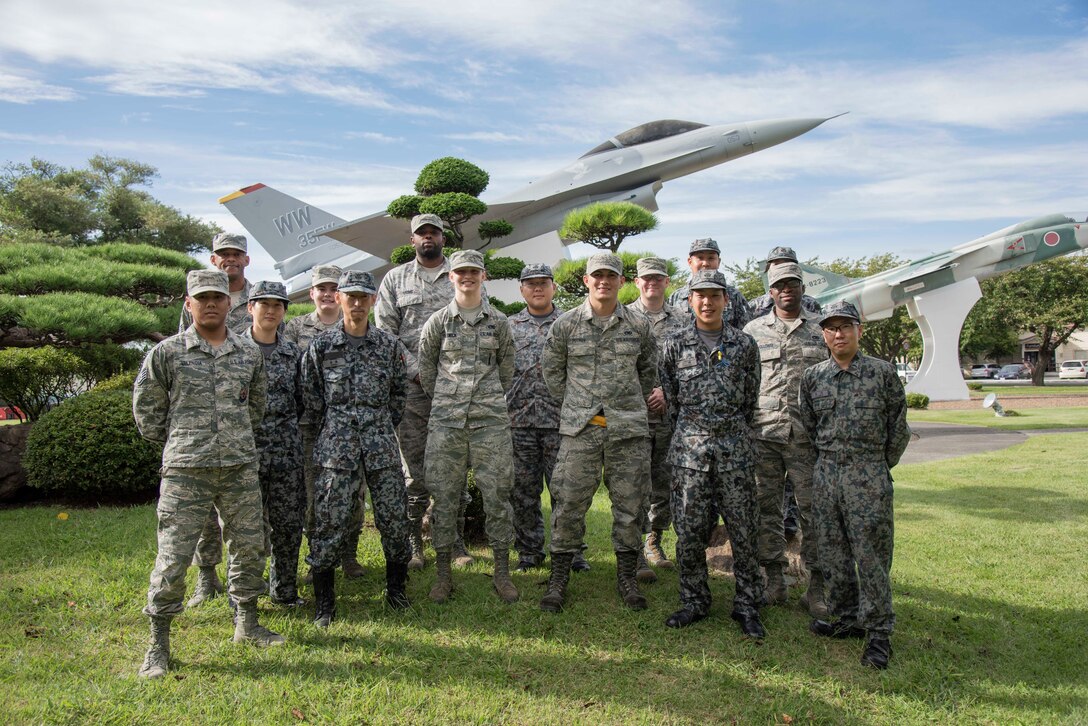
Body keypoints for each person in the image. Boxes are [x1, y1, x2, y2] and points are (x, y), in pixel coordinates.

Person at [133, 269, 281, 679]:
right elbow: (147, 410)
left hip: (238, 466)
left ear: (230, 302)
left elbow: (257, 407)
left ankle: (246, 623)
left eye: (218, 296)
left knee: (250, 545)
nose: (211, 303)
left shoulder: (247, 353)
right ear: (188, 303)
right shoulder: (167, 353)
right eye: (202, 298)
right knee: (173, 556)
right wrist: (182, 441)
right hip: (186, 470)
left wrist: (232, 440)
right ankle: (158, 645)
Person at [539, 252, 657, 613]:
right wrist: (578, 405)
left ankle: (627, 578)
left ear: (622, 282)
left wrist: (624, 405)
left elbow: (648, 372)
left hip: (627, 430)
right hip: (581, 430)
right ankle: (558, 579)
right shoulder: (567, 324)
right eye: (597, 275)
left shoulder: (638, 325)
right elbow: (552, 371)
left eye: (611, 275)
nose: (604, 281)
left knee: (630, 505)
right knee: (568, 503)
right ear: (586, 281)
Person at [800, 300, 910, 670]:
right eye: (831, 328)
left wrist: (877, 468)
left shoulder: (881, 373)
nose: (838, 333)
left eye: (845, 326)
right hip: (827, 474)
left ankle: (878, 632)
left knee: (872, 557)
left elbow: (898, 429)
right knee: (833, 554)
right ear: (824, 335)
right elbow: (811, 426)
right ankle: (846, 619)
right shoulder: (813, 377)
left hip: (868, 477)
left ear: (859, 330)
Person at [657, 269, 765, 638]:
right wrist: (694, 431)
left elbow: (750, 398)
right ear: (689, 301)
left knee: (745, 530)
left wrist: (726, 429)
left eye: (714, 295)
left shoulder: (744, 345)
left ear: (726, 300)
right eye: (699, 295)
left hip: (735, 452)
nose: (707, 301)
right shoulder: (674, 344)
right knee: (688, 531)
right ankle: (694, 601)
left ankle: (748, 605)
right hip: (690, 454)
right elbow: (671, 399)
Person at [300, 271, 412, 627]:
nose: (358, 303)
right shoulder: (322, 346)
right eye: (351, 296)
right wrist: (334, 429)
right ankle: (325, 604)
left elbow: (399, 394)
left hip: (381, 445)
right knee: (330, 521)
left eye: (365, 297)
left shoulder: (389, 346)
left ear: (373, 301)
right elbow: (310, 395)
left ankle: (396, 590)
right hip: (336, 448)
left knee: (393, 518)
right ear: (340, 298)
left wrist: (379, 423)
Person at [418, 250, 517, 603]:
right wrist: (449, 399)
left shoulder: (499, 322)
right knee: (444, 499)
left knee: (498, 497)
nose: (467, 277)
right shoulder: (438, 323)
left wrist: (486, 399)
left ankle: (502, 573)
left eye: (473, 271)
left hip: (490, 423)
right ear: (451, 277)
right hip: (447, 423)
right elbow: (426, 370)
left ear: (484, 276)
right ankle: (443, 575)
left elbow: (506, 369)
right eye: (461, 272)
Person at [375, 214, 473, 570]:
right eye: (421, 233)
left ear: (443, 238)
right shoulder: (395, 279)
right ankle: (415, 543)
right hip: (412, 393)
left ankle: (456, 542)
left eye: (433, 232)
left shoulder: (460, 276)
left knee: (455, 469)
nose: (427, 238)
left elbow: (475, 322)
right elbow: (386, 334)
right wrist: (417, 370)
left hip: (454, 389)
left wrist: (451, 374)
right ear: (412, 239)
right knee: (414, 473)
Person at [742, 263, 828, 617]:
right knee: (766, 510)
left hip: (807, 437)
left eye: (793, 283)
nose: (787, 289)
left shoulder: (818, 331)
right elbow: (744, 382)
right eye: (780, 284)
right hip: (765, 435)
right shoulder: (753, 330)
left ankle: (817, 586)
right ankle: (773, 580)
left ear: (802, 287)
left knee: (813, 512)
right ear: (771, 291)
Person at [182, 232, 257, 607]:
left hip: (238, 417)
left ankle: (244, 591)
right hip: (199, 424)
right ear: (214, 260)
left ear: (247, 259)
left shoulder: (260, 295)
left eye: (237, 254)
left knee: (243, 517)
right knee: (203, 516)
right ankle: (206, 577)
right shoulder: (199, 293)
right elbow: (184, 352)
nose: (230, 260)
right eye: (223, 254)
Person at [506, 263, 591, 573]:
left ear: (554, 287)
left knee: (567, 492)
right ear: (522, 289)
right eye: (530, 284)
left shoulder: (571, 323)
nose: (537, 288)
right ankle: (529, 552)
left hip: (562, 423)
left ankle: (571, 552)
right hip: (520, 423)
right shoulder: (510, 326)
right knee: (523, 493)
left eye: (543, 282)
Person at [284, 265, 366, 582]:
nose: (328, 294)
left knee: (353, 494)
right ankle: (318, 556)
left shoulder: (358, 327)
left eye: (334, 288)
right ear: (312, 293)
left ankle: (349, 555)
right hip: (309, 427)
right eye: (322, 288)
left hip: (350, 428)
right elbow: (290, 375)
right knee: (313, 495)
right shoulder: (295, 329)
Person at [244, 281, 306, 607]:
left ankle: (283, 592)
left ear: (284, 312)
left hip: (286, 450)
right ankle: (245, 594)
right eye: (263, 303)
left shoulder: (294, 354)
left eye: (277, 305)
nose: (270, 310)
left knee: (288, 524)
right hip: (245, 451)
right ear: (250, 307)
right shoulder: (234, 352)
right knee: (248, 527)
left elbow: (302, 400)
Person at [626, 257, 687, 578]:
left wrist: (666, 390)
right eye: (646, 278)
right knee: (632, 482)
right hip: (632, 415)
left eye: (658, 278)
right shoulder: (623, 317)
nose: (652, 283)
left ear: (666, 282)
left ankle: (654, 539)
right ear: (637, 282)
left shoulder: (681, 320)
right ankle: (633, 547)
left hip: (668, 416)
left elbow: (690, 365)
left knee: (663, 483)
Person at [667, 237, 751, 330]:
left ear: (718, 262)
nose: (706, 263)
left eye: (711, 258)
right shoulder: (676, 297)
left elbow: (746, 329)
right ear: (690, 262)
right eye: (700, 258)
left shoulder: (734, 295)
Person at [748, 246, 822, 319]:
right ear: (768, 269)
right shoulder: (755, 307)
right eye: (777, 264)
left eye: (787, 263)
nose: (783, 268)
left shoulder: (810, 304)